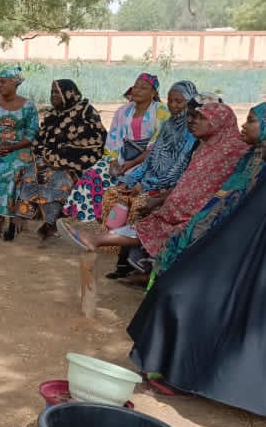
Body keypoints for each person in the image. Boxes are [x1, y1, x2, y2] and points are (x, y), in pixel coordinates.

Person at [127, 118, 266, 427]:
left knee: (186, 293)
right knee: (175, 288)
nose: (265, 143)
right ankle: (178, 369)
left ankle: (184, 377)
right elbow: (231, 238)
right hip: (239, 275)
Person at [58, 103, 249, 258]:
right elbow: (180, 178)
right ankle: (101, 242)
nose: (192, 121)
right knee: (138, 211)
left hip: (200, 215)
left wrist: (157, 194)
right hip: (173, 205)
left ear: (218, 122)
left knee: (158, 223)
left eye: (201, 118)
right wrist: (146, 189)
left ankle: (100, 242)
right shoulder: (205, 147)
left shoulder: (235, 151)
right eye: (193, 116)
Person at [150, 101, 266, 284]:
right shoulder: (250, 157)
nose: (243, 125)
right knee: (184, 236)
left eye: (251, 121)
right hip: (219, 214)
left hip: (239, 228)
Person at [101, 80, 200, 280]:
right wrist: (130, 180)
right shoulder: (168, 126)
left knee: (139, 204)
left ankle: (134, 264)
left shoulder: (191, 132)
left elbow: (179, 169)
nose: (173, 105)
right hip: (149, 181)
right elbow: (151, 158)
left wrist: (145, 186)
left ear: (189, 102)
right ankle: (118, 256)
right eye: (170, 101)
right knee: (114, 194)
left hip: (168, 186)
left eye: (179, 101)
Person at [63, 73, 169, 223]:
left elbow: (157, 145)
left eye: (143, 88)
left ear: (153, 93)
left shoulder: (161, 111)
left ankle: (110, 219)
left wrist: (132, 163)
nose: (137, 90)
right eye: (136, 87)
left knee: (125, 184)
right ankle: (90, 216)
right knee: (93, 174)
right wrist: (113, 160)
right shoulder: (123, 111)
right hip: (122, 156)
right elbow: (114, 137)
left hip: (146, 160)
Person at [14, 79, 106, 241]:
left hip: (76, 164)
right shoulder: (52, 115)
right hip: (48, 159)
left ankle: (51, 223)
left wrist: (57, 158)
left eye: (57, 92)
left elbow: (93, 143)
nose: (53, 95)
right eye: (52, 92)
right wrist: (48, 156)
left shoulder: (85, 112)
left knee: (59, 181)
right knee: (30, 174)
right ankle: (25, 215)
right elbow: (39, 141)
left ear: (69, 93)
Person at [0, 66, 39, 240]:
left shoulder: (28, 106)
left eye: (3, 82)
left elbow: (32, 133)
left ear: (14, 83)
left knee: (14, 175)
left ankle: (12, 221)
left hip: (19, 150)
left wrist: (13, 147)